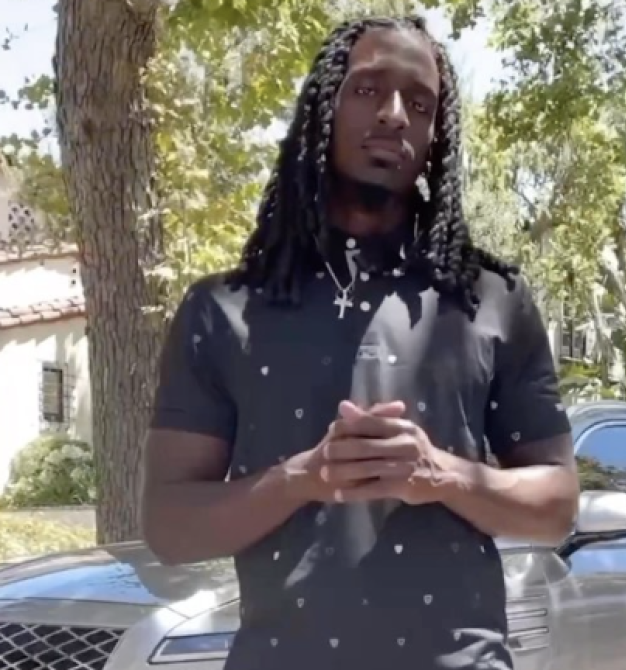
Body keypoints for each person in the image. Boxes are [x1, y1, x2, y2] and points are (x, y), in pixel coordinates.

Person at [142, 14, 579, 670]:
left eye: (421, 104)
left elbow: (557, 507)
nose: (395, 115)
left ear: (436, 138)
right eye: (369, 89)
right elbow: (170, 527)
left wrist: (443, 475)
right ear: (323, 109)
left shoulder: (492, 300)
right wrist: (302, 478)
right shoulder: (221, 310)